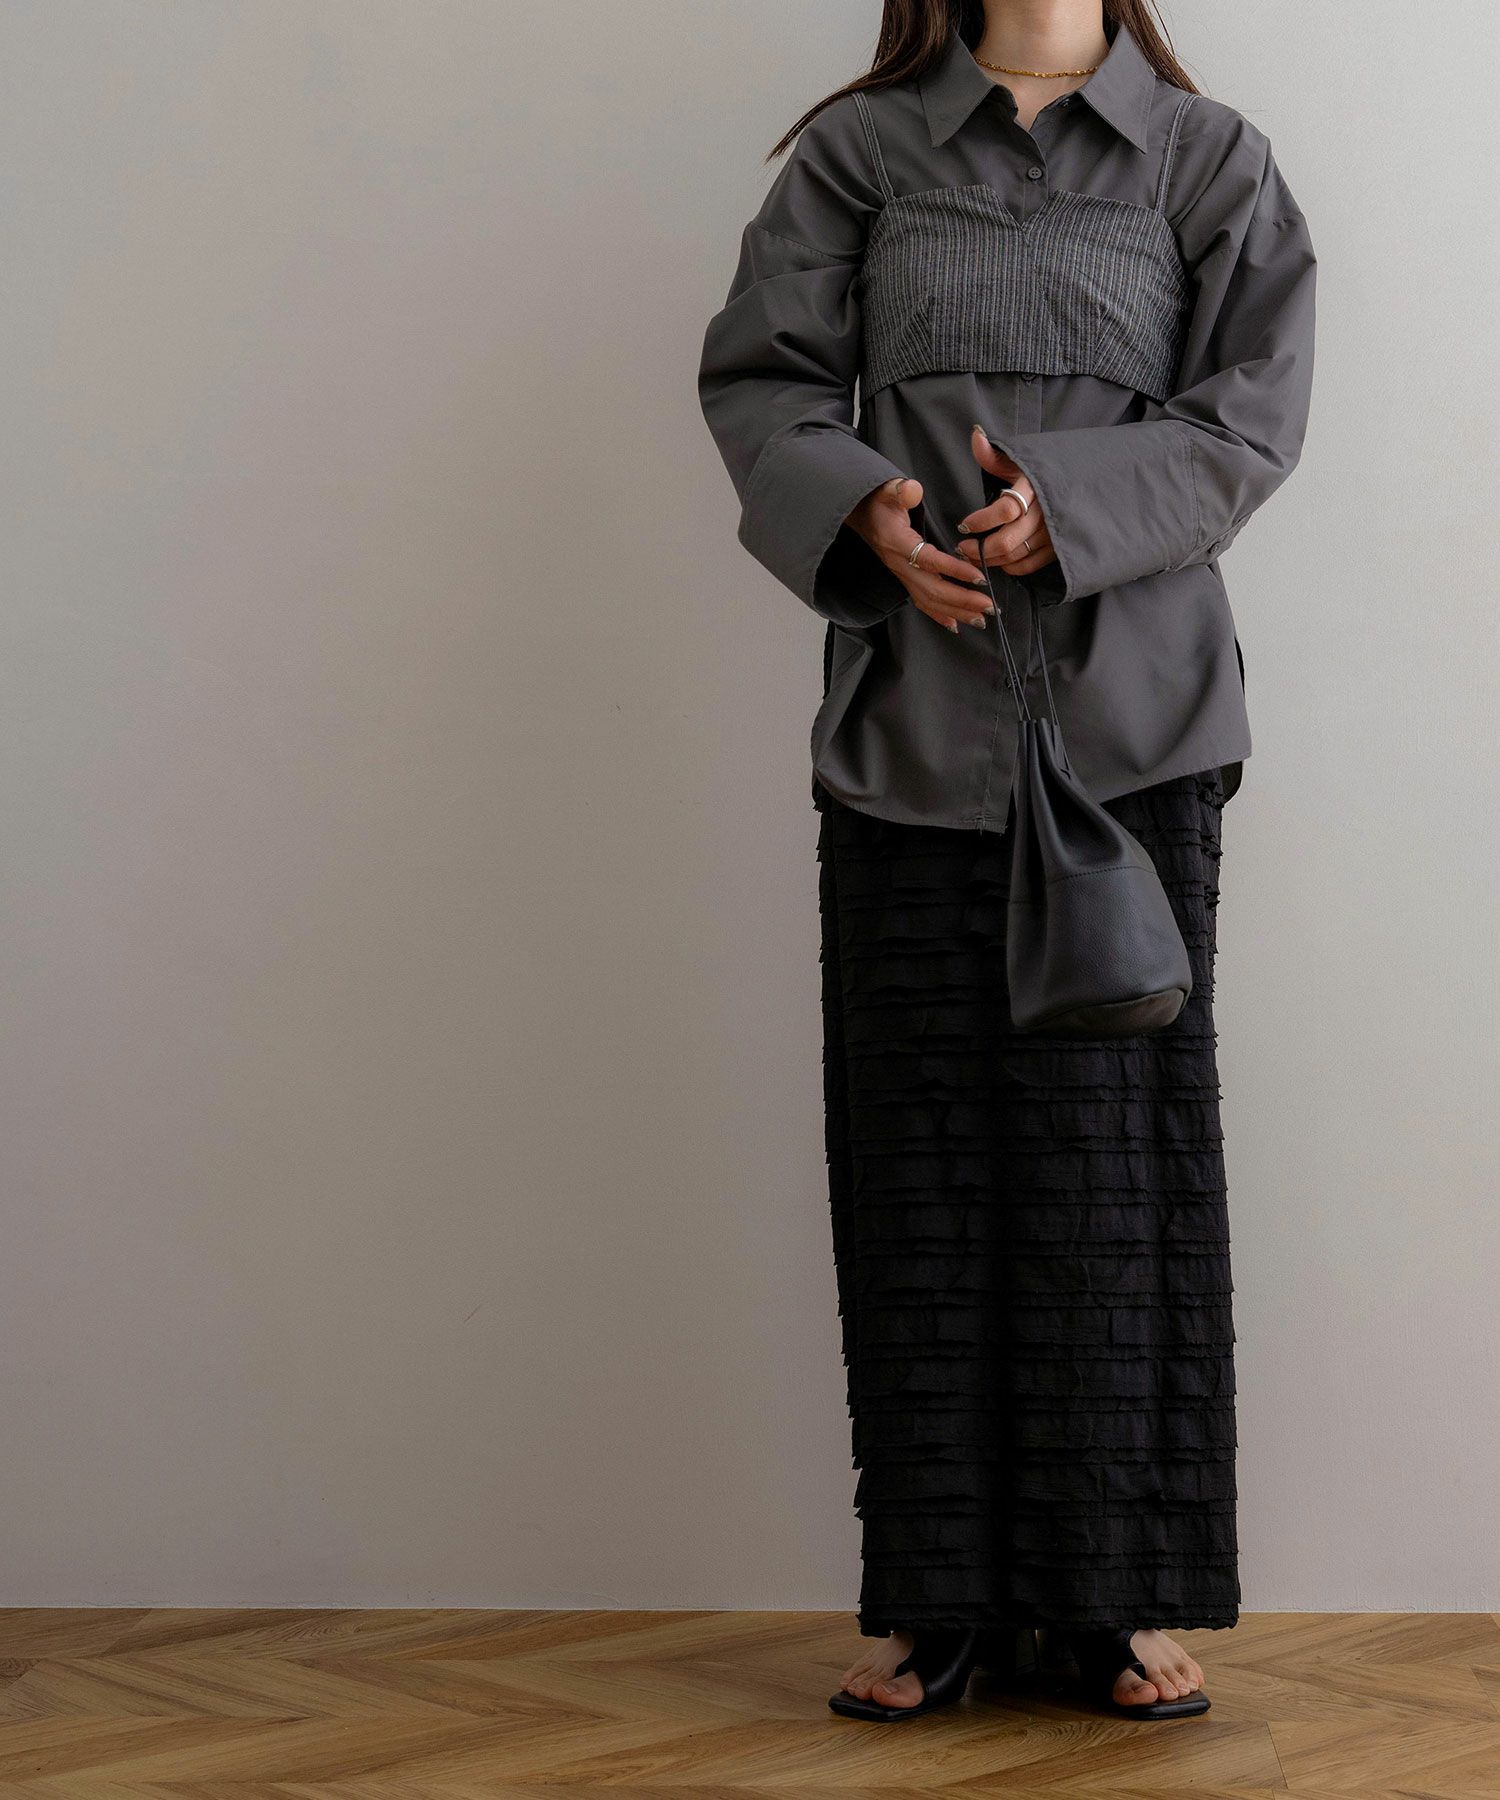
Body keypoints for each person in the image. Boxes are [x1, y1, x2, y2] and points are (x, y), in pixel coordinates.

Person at [696, 0, 1316, 1723]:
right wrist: (860, 507)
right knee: (922, 1165)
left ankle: (1112, 1602)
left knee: (1113, 1165)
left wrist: (1073, 506)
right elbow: (762, 380)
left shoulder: (1208, 160)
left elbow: (1253, 418)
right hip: (912, 719)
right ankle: (937, 1603)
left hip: (1137, 725)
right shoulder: (859, 151)